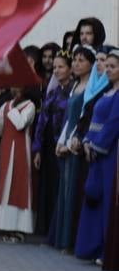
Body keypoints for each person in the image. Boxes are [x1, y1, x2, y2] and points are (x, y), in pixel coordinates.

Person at [75, 49, 119, 262]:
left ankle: (106, 249)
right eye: (106, 66)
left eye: (112, 66)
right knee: (94, 198)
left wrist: (96, 145)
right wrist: (86, 141)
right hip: (95, 153)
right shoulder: (106, 93)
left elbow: (113, 124)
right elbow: (93, 120)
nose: (108, 70)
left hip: (110, 156)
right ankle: (92, 246)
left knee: (107, 201)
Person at [53, 47, 97, 251]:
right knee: (64, 191)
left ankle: (69, 241)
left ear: (91, 64)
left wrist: (71, 142)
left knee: (73, 192)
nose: (77, 64)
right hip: (67, 141)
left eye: (82, 60)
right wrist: (60, 142)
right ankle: (61, 239)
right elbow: (68, 119)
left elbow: (82, 120)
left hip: (76, 145)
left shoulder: (91, 88)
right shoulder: (74, 86)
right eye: (76, 60)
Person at [32, 54, 73, 241]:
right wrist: (37, 148)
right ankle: (45, 229)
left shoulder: (72, 92)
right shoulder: (52, 93)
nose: (56, 70)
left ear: (70, 69)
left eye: (61, 67)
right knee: (47, 186)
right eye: (55, 67)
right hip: (48, 145)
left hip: (61, 143)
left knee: (59, 186)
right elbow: (41, 121)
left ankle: (57, 232)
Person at [0, 88, 36, 238]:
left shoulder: (30, 106)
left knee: (19, 185)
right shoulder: (4, 106)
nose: (16, 90)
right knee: (3, 185)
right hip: (5, 147)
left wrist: (10, 108)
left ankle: (19, 227)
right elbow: (0, 130)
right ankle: (2, 225)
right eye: (14, 86)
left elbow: (20, 124)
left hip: (21, 149)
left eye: (19, 86)